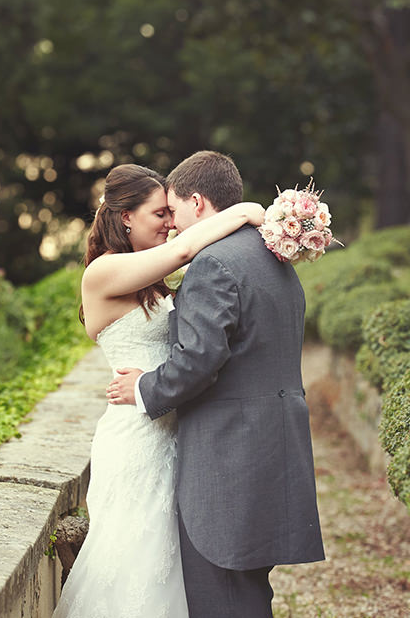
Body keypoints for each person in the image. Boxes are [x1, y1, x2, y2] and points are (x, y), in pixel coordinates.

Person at [107, 151, 325, 618]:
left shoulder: (214, 263)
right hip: (274, 448)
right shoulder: (275, 258)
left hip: (228, 460)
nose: (172, 226)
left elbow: (199, 362)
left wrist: (145, 387)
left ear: (198, 202)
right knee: (247, 594)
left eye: (174, 211)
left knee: (219, 599)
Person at [52, 162, 264, 618]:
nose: (170, 223)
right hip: (137, 437)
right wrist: (248, 210)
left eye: (172, 213)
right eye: (159, 214)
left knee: (179, 566)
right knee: (137, 561)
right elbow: (186, 248)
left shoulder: (148, 278)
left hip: (174, 430)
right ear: (125, 216)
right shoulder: (103, 273)